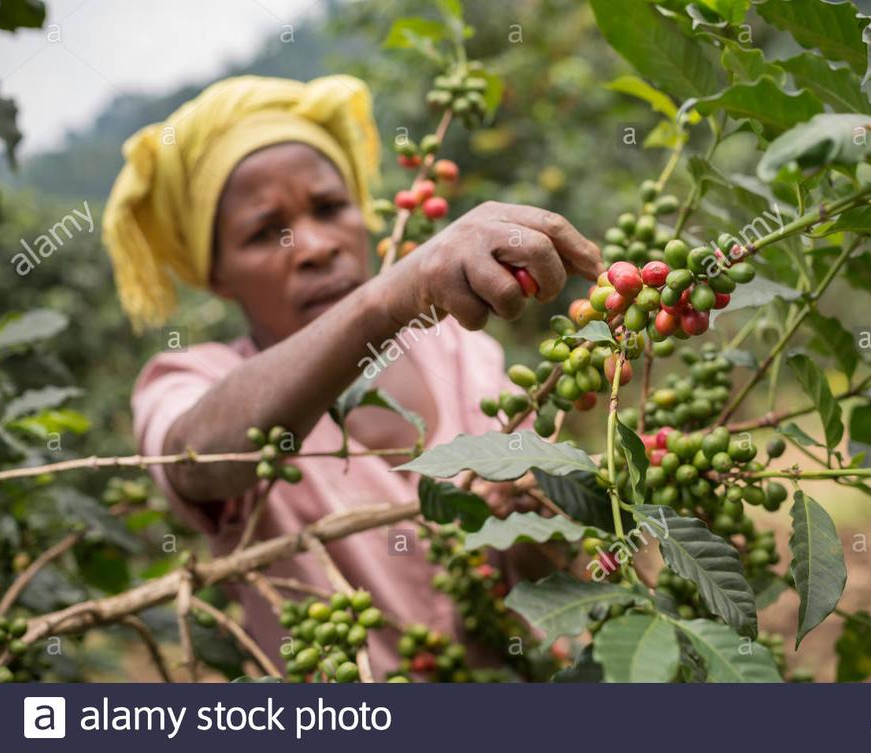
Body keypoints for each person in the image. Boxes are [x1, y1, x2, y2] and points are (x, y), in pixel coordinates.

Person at [101, 74, 602, 679]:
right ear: (218, 276)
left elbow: (542, 575)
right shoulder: (190, 378)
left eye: (330, 208)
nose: (313, 245)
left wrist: (525, 524)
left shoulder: (458, 349)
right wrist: (388, 299)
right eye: (265, 232)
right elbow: (195, 458)